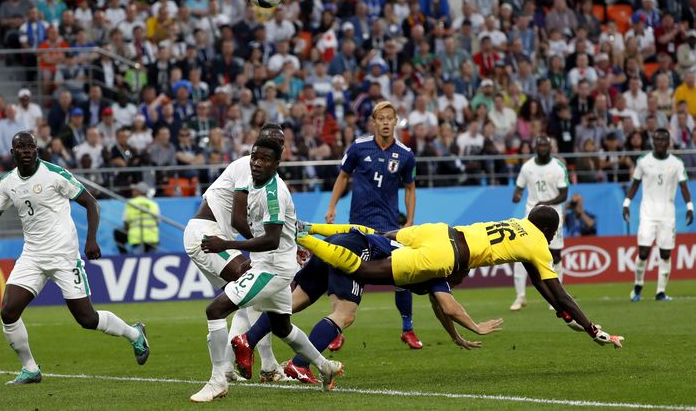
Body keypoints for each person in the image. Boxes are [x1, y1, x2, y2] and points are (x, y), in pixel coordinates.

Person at [0, 132, 149, 385]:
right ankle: (30, 369)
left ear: (36, 149)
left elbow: (91, 203)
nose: (26, 150)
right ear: (12, 152)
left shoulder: (55, 174)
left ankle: (135, 334)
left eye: (30, 146)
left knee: (87, 319)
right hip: (32, 256)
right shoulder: (8, 183)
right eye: (20, 146)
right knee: (9, 311)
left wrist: (91, 240)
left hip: (64, 256)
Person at [296, 206, 625, 349]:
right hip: (450, 255)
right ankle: (301, 237)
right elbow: (558, 292)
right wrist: (591, 327)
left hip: (438, 231)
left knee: (375, 236)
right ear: (550, 231)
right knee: (364, 269)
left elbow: (543, 288)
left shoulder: (518, 224)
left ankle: (307, 228)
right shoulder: (539, 242)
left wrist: (562, 312)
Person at [231, 229, 504, 383]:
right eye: (462, 276)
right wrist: (476, 327)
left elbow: (441, 307)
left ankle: (247, 340)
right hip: (359, 252)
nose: (458, 282)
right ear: (457, 271)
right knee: (344, 314)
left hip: (343, 243)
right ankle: (299, 365)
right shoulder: (440, 270)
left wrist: (456, 336)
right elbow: (450, 306)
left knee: (293, 303)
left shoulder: (430, 252)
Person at [190, 137, 342, 402]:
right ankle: (326, 367)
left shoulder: (275, 193)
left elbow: (271, 239)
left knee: (215, 309)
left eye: (265, 160)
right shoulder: (250, 181)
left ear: (277, 164)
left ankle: (217, 382)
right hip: (272, 264)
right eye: (254, 157)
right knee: (282, 327)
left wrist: (225, 243)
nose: (257, 163)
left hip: (274, 270)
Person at [182, 123, 286, 383]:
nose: (276, 143)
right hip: (207, 233)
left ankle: (240, 366)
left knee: (248, 295)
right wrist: (261, 245)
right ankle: (263, 367)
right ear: (257, 142)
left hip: (213, 234)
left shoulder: (268, 177)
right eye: (270, 138)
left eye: (280, 140)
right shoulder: (247, 167)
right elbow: (238, 219)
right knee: (252, 282)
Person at [324, 100, 420, 351]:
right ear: (374, 122)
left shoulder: (405, 154)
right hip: (359, 226)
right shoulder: (358, 148)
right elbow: (342, 176)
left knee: (402, 278)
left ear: (396, 121)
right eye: (381, 118)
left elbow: (410, 188)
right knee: (344, 276)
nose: (386, 122)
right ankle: (336, 330)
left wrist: (409, 221)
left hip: (389, 226)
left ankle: (407, 328)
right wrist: (332, 206)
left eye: (390, 118)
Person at [623, 128, 693, 302]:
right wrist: (626, 204)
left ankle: (661, 291)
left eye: (663, 140)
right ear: (653, 142)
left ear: (669, 142)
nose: (660, 143)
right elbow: (635, 184)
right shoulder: (643, 161)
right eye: (657, 139)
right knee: (644, 252)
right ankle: (638, 285)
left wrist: (690, 206)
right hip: (647, 213)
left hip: (667, 215)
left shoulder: (677, 163)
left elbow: (684, 186)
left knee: (665, 254)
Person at [510, 135, 568, 311]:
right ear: (535, 147)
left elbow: (564, 194)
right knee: (521, 255)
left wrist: (546, 204)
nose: (542, 148)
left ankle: (558, 298)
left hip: (553, 216)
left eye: (545, 145)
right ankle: (520, 296)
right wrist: (517, 194)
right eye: (540, 145)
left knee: (555, 255)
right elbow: (519, 187)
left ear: (550, 147)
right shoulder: (527, 167)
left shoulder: (558, 167)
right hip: (531, 217)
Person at [113, 182, 160, 254]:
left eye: (135, 190)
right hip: (152, 238)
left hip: (136, 238)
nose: (133, 191)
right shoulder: (153, 204)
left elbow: (126, 222)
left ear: (139, 191)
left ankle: (124, 256)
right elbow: (157, 222)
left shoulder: (131, 203)